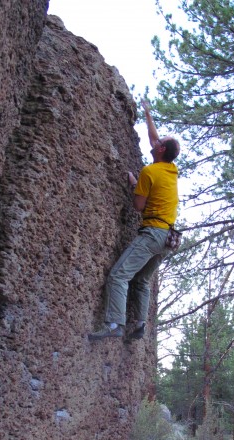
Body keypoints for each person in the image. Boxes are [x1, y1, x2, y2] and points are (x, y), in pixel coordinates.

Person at [88, 101, 180, 341]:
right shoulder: (170, 169)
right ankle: (139, 324)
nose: (155, 142)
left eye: (159, 143)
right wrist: (148, 114)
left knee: (119, 275)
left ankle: (114, 325)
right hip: (169, 238)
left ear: (160, 151)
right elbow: (155, 139)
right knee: (142, 280)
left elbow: (139, 206)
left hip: (153, 233)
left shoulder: (150, 173)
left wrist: (133, 184)